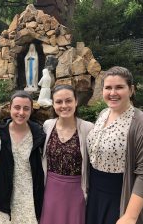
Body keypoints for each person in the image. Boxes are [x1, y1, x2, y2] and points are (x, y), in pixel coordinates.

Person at [86, 66, 143, 224]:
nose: (113, 93)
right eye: (108, 88)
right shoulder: (103, 114)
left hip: (122, 196)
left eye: (119, 87)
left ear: (131, 89)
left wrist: (130, 216)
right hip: (96, 194)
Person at [40, 85, 94, 224]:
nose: (64, 105)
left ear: (76, 101)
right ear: (53, 104)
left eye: (68, 101)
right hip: (51, 189)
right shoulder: (47, 126)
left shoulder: (88, 128)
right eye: (58, 102)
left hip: (76, 191)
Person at [0, 91, 46, 224]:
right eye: (17, 107)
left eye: (26, 108)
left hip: (30, 195)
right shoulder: (0, 133)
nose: (21, 112)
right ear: (10, 107)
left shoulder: (39, 134)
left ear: (31, 111)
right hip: (6, 194)